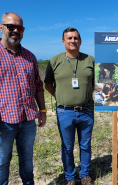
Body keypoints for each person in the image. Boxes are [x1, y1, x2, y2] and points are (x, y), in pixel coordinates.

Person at [0, 12, 46, 185]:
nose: (15, 31)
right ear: (1, 27)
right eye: (11, 27)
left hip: (27, 120)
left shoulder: (30, 56)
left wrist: (42, 110)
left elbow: (38, 86)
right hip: (3, 121)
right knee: (2, 162)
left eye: (19, 27)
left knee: (27, 159)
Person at [44, 27, 94, 185]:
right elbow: (48, 85)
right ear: (63, 41)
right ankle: (71, 177)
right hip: (65, 112)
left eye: (76, 38)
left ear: (80, 41)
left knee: (85, 145)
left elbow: (94, 84)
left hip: (86, 110)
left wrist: (83, 96)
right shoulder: (55, 61)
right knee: (67, 147)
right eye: (69, 38)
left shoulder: (90, 60)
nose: (73, 41)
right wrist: (62, 98)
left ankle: (85, 175)